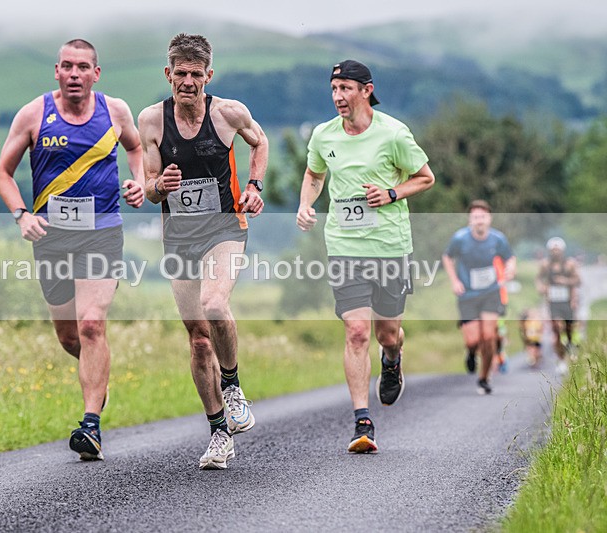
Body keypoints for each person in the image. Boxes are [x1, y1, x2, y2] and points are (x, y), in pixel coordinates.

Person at [0, 39, 145, 461]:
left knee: (92, 324)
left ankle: (91, 424)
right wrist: (22, 214)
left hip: (102, 231)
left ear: (97, 74)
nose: (75, 74)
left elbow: (135, 148)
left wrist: (138, 181)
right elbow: (3, 174)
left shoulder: (115, 111)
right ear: (56, 72)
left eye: (83, 67)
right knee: (69, 337)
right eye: (67, 67)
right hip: (51, 237)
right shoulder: (33, 114)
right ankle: (96, 375)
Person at [138, 33, 268, 469]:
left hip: (225, 227)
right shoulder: (152, 121)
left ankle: (231, 385)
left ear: (208, 75)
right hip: (179, 236)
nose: (188, 82)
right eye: (180, 74)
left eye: (196, 75)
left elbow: (260, 142)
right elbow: (151, 188)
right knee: (197, 341)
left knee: (215, 304)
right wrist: (159, 186)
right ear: (168, 74)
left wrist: (254, 186)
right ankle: (218, 434)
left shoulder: (229, 113)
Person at [296, 60, 435, 454]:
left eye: (346, 88)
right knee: (356, 331)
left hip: (389, 246)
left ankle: (392, 357)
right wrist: (306, 204)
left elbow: (426, 177)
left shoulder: (393, 133)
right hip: (344, 246)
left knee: (385, 333)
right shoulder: (324, 135)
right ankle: (363, 421)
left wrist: (392, 194)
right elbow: (314, 174)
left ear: (366, 90)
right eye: (334, 88)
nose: (339, 96)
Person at [442, 200, 516, 395]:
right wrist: (454, 281)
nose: (479, 221)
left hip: (490, 292)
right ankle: (471, 353)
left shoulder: (498, 239)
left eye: (482, 217)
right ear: (470, 220)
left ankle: (484, 378)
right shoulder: (460, 238)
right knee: (473, 340)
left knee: (489, 336)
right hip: (467, 295)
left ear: (489, 219)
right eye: (475, 217)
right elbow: (447, 257)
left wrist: (510, 268)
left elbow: (510, 257)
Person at [536, 237, 581, 375]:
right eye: (553, 250)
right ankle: (561, 360)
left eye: (558, 250)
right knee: (556, 329)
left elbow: (578, 281)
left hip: (567, 302)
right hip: (553, 302)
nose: (555, 252)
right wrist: (541, 287)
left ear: (562, 250)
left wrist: (564, 281)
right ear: (550, 251)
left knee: (568, 329)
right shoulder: (545, 265)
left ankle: (571, 345)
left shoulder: (570, 264)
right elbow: (538, 278)